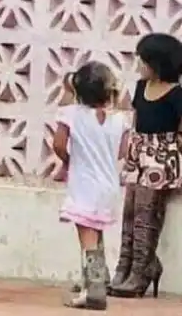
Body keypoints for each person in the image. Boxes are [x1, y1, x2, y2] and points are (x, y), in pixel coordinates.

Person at [109, 33, 182, 298]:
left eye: (144, 60)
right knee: (130, 212)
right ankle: (125, 267)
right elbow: (136, 118)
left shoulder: (177, 95)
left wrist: (175, 156)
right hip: (139, 156)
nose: (139, 65)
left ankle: (142, 269)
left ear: (158, 64)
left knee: (146, 215)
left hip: (159, 158)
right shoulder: (141, 87)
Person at [53, 61, 129, 310]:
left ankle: (94, 288)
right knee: (96, 231)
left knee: (86, 236)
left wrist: (69, 160)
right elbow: (123, 151)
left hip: (84, 184)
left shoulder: (71, 114)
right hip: (109, 185)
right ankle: (99, 278)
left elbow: (58, 144)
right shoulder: (120, 120)